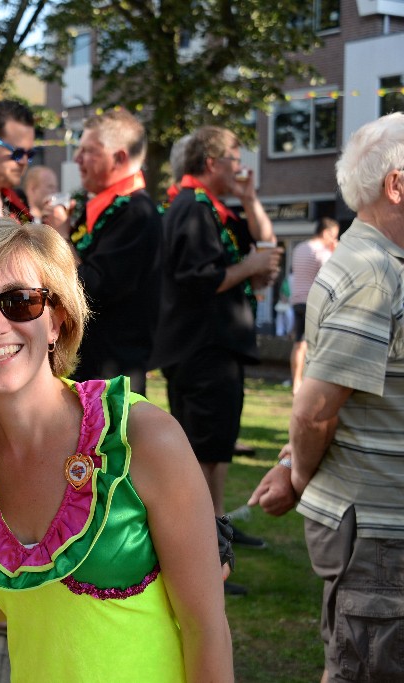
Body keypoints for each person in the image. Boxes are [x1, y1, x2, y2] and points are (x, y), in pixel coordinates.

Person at [0, 218, 234, 682]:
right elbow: (15, 590)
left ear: (56, 320)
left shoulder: (141, 435)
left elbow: (206, 629)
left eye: (20, 302)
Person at [248, 112, 404, 683]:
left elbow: (340, 398)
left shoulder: (377, 263)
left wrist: (292, 463)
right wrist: (296, 473)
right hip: (380, 531)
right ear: (397, 185)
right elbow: (316, 408)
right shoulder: (374, 272)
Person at [152, 126, 283, 574]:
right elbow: (198, 278)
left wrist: (249, 198)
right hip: (200, 348)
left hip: (218, 347)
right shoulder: (190, 207)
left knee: (218, 445)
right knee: (204, 448)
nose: (240, 165)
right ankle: (207, 548)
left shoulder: (215, 209)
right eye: (233, 157)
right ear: (210, 163)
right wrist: (249, 266)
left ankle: (217, 528)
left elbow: (267, 246)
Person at [66, 108, 161, 395]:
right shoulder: (103, 208)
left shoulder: (136, 212)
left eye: (88, 151)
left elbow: (92, 285)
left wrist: (58, 236)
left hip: (111, 376)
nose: (76, 159)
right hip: (91, 366)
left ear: (119, 157)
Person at [288, 217, 339, 394]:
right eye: (334, 236)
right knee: (317, 346)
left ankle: (296, 383)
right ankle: (313, 384)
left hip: (297, 301)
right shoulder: (322, 251)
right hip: (315, 303)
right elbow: (331, 275)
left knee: (299, 344)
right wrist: (335, 252)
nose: (334, 240)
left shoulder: (299, 248)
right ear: (326, 233)